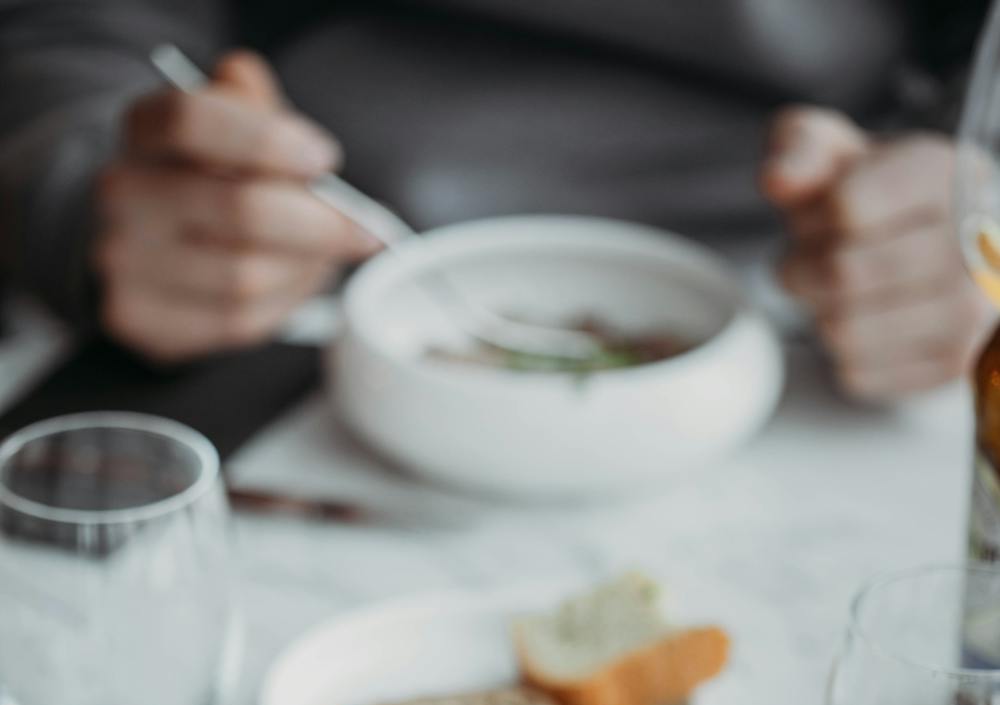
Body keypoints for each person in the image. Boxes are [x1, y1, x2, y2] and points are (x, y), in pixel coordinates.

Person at [0, 0, 992, 399]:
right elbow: (67, 28)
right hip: (293, 324)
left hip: (832, 333)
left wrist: (976, 184)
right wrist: (88, 188)